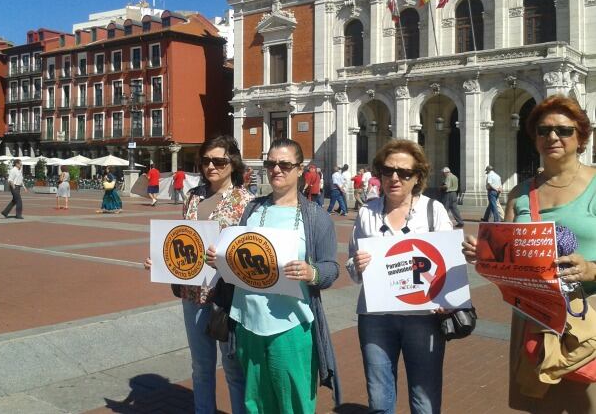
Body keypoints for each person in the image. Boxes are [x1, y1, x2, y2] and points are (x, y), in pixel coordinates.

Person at [462, 95, 596, 411]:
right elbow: (509, 261)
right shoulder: (520, 194)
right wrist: (485, 257)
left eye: (564, 130)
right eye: (543, 129)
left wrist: (591, 269)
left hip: (588, 318)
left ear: (581, 137)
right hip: (534, 319)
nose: (552, 137)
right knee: (542, 405)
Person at [208, 137, 341, 412]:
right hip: (247, 322)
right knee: (255, 403)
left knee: (293, 403)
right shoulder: (252, 209)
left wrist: (311, 271)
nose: (276, 170)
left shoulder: (315, 217)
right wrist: (220, 261)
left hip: (290, 325)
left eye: (284, 164)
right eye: (270, 164)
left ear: (300, 168)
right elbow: (241, 258)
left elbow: (331, 268)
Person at [145, 135, 251, 414]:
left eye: (219, 161)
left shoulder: (246, 201)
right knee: (201, 366)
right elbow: (183, 239)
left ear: (233, 162)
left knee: (233, 367)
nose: (211, 166)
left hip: (227, 296)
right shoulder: (193, 197)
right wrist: (161, 260)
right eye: (206, 161)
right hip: (193, 293)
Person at [347, 139, 453, 413]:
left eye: (404, 172)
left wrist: (448, 295)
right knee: (379, 400)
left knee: (424, 399)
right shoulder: (367, 213)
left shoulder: (434, 210)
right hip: (375, 317)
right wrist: (356, 265)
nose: (395, 177)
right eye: (388, 170)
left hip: (423, 317)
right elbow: (352, 265)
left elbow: (449, 264)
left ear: (417, 177)